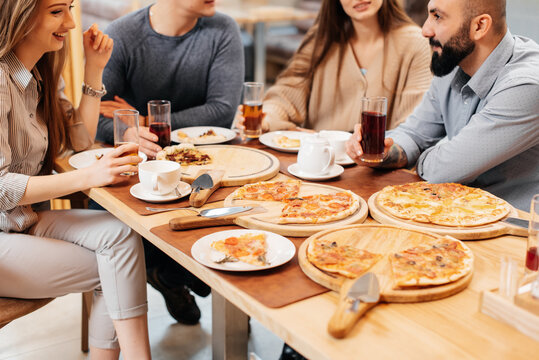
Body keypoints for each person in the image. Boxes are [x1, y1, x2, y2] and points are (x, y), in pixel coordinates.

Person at [0, 0, 151, 359]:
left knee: (123, 235)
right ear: (19, 15)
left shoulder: (38, 73)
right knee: (113, 267)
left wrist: (94, 71)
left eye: (69, 7)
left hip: (19, 222)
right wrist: (88, 176)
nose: (70, 22)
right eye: (56, 11)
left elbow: (78, 140)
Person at [93, 0, 244, 325]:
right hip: (143, 171)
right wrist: (128, 132)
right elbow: (97, 115)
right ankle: (175, 275)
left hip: (210, 166)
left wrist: (143, 120)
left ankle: (173, 278)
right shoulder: (122, 34)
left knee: (239, 213)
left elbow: (221, 111)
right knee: (120, 217)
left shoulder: (223, 29)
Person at [346, 0, 539, 212]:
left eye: (437, 17)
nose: (425, 30)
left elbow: (443, 171)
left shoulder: (527, 86)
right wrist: (381, 150)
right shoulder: (453, 62)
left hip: (519, 231)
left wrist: (422, 156)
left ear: (480, 26)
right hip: (457, 215)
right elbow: (413, 135)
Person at [237, 0, 432, 133]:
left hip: (380, 176)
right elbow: (286, 95)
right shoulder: (321, 40)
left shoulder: (416, 44)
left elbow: (413, 130)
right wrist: (266, 118)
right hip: (317, 169)